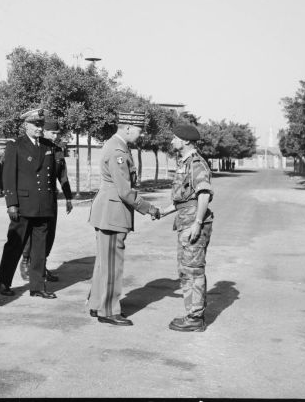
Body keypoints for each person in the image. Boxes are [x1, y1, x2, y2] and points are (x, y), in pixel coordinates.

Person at [88, 111, 161, 326]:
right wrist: (150, 208)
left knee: (104, 263)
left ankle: (97, 304)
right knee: (112, 263)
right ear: (127, 127)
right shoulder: (118, 149)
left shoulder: (116, 145)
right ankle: (108, 310)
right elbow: (125, 191)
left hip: (108, 211)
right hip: (113, 213)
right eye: (139, 131)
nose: (141, 135)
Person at [0, 108, 60, 299]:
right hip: (23, 204)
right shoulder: (16, 145)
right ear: (26, 125)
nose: (40, 128)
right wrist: (11, 203)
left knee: (39, 249)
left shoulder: (48, 146)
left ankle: (38, 286)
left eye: (41, 124)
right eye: (36, 125)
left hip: (43, 204)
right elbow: (8, 176)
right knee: (15, 245)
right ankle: (4, 281)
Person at [161, 123, 214, 332]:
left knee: (193, 270)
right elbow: (182, 199)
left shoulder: (196, 163)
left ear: (184, 141)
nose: (172, 140)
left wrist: (197, 224)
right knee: (185, 270)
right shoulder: (185, 163)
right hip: (185, 221)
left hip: (192, 223)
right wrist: (161, 212)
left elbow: (203, 195)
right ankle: (192, 312)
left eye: (175, 137)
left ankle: (195, 318)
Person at [20, 115, 73, 282]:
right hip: (34, 199)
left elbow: (62, 176)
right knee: (33, 233)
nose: (55, 135)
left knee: (49, 234)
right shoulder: (34, 148)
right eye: (52, 132)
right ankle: (27, 263)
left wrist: (68, 197)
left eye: (57, 132)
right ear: (43, 131)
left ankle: (41, 265)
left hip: (50, 198)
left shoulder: (57, 150)